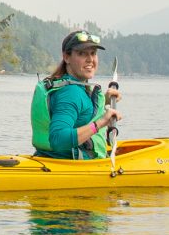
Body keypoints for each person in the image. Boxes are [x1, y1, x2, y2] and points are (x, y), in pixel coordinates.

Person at [31, 30, 120, 158]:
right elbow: (58, 139)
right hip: (73, 165)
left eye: (93, 53)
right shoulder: (71, 93)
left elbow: (79, 112)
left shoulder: (67, 85)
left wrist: (104, 101)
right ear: (66, 57)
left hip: (50, 157)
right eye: (82, 53)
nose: (90, 60)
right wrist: (101, 122)